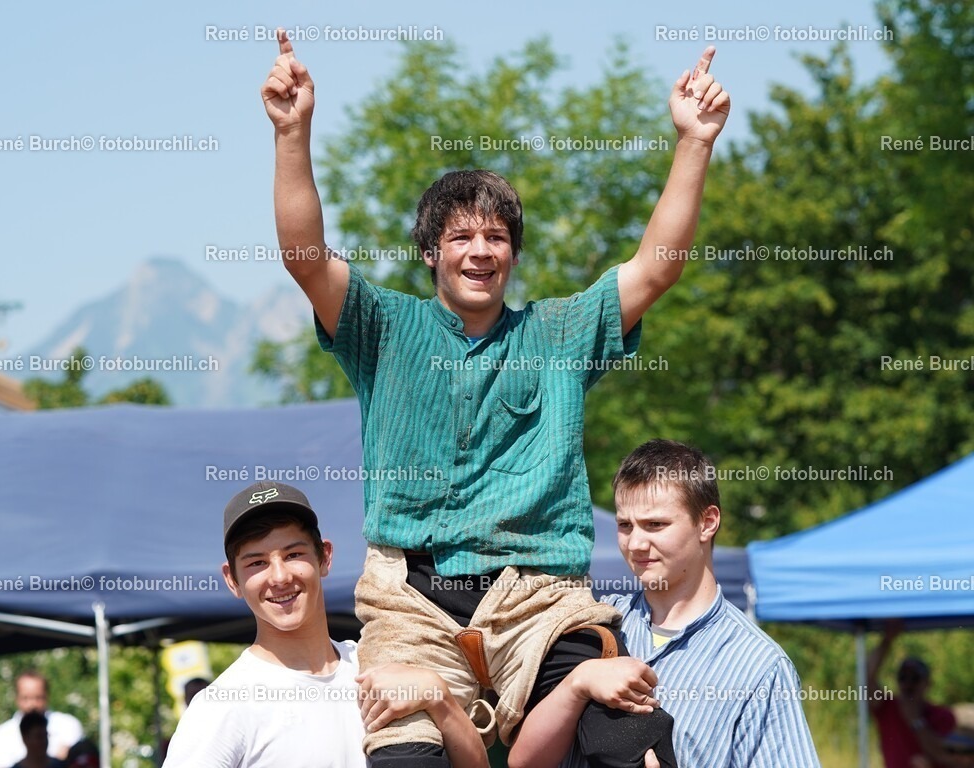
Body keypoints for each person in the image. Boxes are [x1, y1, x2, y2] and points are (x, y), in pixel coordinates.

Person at [263, 25, 731, 768]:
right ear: (430, 254)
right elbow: (305, 257)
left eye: (496, 237)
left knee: (629, 739)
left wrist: (694, 142)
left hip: (540, 601)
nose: (480, 250)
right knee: (405, 760)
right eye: (460, 238)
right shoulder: (382, 328)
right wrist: (293, 132)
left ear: (513, 253)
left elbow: (657, 268)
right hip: (411, 604)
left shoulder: (561, 332)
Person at [508, 439, 821, 767]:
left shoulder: (759, 666)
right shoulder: (590, 623)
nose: (636, 543)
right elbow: (523, 763)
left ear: (707, 522)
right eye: (625, 525)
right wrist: (578, 683)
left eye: (655, 525)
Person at [162, 481, 488, 768]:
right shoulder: (222, 705)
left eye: (293, 555)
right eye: (257, 563)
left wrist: (439, 698)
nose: (279, 577)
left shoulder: (378, 665)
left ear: (325, 557)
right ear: (232, 580)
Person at [868, 620, 968, 768]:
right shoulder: (888, 708)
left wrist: (916, 720)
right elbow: (867, 679)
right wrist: (887, 641)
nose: (908, 684)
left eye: (915, 678)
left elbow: (943, 754)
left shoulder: (942, 715)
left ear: (927, 683)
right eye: (903, 677)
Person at [0, 672, 82, 768]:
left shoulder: (69, 726)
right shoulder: (1, 735)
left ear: (47, 696)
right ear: (16, 698)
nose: (32, 704)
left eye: (38, 698)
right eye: (26, 698)